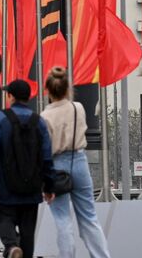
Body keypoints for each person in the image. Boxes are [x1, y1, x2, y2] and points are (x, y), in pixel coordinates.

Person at [40, 68, 111, 258]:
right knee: (89, 217)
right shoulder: (77, 108)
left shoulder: (45, 116)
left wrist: (46, 183)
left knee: (62, 219)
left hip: (56, 165)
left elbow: (44, 151)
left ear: (48, 90)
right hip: (79, 161)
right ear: (68, 88)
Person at [0, 79, 54, 258]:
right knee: (28, 231)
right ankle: (22, 252)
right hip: (32, 187)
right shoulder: (39, 122)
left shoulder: (1, 118)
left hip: (6, 185)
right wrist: (49, 186)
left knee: (4, 219)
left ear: (11, 97)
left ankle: (12, 246)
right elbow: (47, 156)